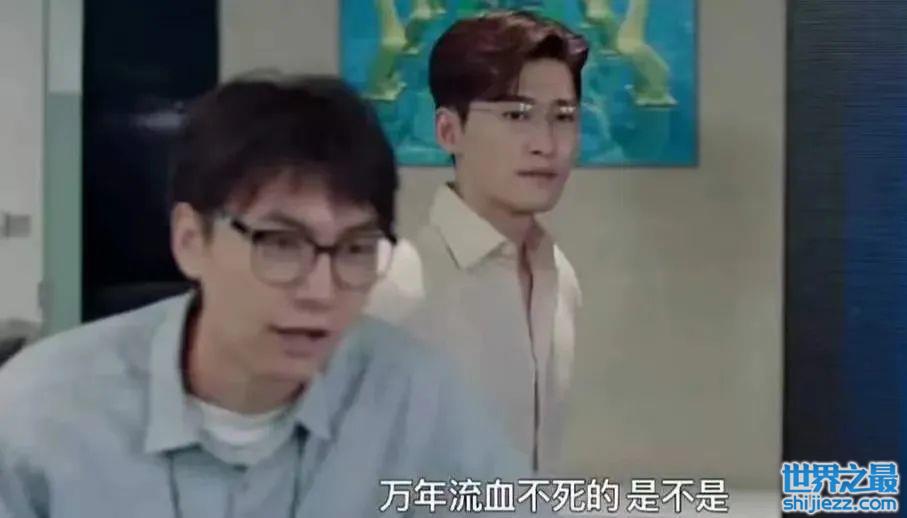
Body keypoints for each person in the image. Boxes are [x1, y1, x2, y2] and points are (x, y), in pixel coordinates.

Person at [0, 75, 540, 517]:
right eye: (281, 244)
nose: (321, 291)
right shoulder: (40, 412)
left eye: (355, 248)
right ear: (190, 241)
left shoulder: (416, 398)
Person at [368, 10, 589, 473]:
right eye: (517, 115)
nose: (546, 144)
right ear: (449, 131)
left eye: (563, 117)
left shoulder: (560, 276)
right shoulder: (393, 289)